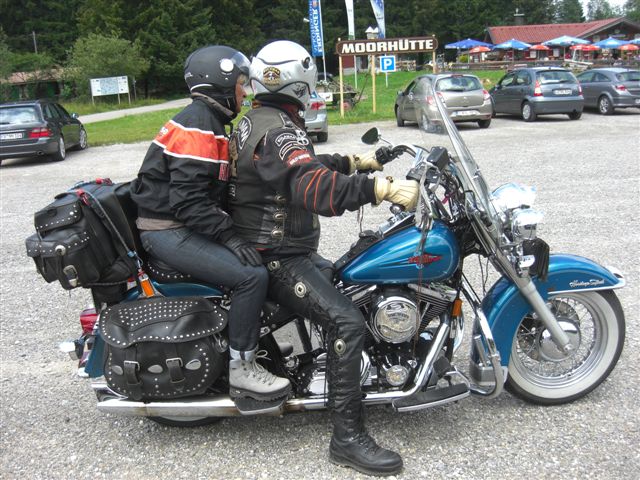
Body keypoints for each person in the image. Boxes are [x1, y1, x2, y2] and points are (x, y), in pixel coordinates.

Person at [228, 40, 418, 476]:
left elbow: (296, 166)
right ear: (302, 81)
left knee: (352, 281)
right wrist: (380, 188)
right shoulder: (280, 131)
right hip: (278, 256)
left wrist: (354, 162)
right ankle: (347, 439)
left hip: (275, 247)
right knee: (347, 321)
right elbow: (311, 186)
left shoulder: (259, 119)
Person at [130, 45, 290, 402]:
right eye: (241, 84)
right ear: (220, 83)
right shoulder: (198, 125)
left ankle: (252, 342)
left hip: (178, 224)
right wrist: (230, 237)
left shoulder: (207, 120)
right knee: (251, 276)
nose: (245, 92)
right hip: (168, 230)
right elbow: (188, 202)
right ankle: (242, 369)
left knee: (262, 256)